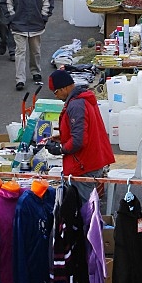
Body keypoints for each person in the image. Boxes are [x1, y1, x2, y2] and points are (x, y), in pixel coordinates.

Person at [45, 70, 115, 201]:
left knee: (85, 208)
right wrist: (63, 137)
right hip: (92, 159)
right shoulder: (82, 99)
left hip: (84, 164)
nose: (56, 96)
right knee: (89, 204)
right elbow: (84, 130)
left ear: (64, 88)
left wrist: (60, 149)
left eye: (56, 92)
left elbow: (79, 141)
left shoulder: (76, 105)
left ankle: (90, 222)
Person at [5, 0, 54, 90]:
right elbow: (6, 2)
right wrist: (12, 19)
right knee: (20, 52)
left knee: (35, 51)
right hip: (18, 25)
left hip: (36, 24)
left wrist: (43, 17)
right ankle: (20, 79)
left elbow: (48, 1)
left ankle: (35, 71)